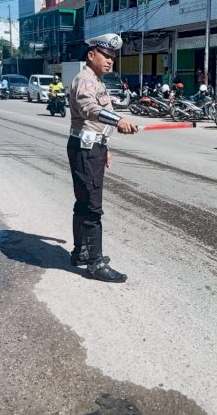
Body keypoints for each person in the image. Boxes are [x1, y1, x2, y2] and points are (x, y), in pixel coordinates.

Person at [68, 34, 138, 283]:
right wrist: (118, 120)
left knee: (83, 202)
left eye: (112, 59)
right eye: (106, 56)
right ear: (91, 55)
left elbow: (92, 122)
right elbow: (90, 109)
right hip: (86, 149)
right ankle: (95, 263)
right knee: (92, 206)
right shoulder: (86, 80)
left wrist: (104, 147)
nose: (110, 62)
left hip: (90, 147)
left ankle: (81, 252)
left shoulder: (96, 80)